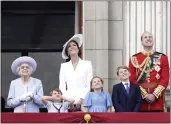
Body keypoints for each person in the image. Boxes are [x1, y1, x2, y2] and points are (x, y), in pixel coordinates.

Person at [129, 31, 170, 112]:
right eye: (145, 37)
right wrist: (145, 95)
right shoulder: (134, 59)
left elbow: (165, 78)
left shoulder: (162, 57)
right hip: (140, 102)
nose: (148, 39)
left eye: (150, 37)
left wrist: (155, 95)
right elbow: (132, 79)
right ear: (141, 41)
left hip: (157, 102)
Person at [59, 34, 93, 112]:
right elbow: (62, 86)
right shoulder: (64, 66)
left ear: (78, 49)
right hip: (69, 101)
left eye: (74, 45)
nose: (72, 47)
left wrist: (81, 99)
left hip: (84, 100)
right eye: (69, 46)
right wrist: (68, 100)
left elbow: (89, 84)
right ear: (67, 52)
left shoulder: (87, 64)